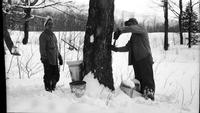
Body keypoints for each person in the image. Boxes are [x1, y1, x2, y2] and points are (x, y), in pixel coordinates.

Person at [111, 18, 155, 100]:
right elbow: (127, 47)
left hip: (145, 58)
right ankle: (142, 94)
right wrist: (116, 49)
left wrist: (120, 30)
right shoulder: (133, 36)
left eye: (129, 24)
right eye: (128, 25)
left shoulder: (141, 28)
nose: (129, 26)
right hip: (137, 61)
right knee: (139, 79)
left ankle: (150, 94)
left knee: (147, 78)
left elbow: (132, 28)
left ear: (134, 23)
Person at [39, 16, 63, 92]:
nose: (51, 25)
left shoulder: (53, 35)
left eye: (52, 24)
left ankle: (53, 87)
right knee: (48, 76)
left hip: (54, 60)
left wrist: (59, 56)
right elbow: (42, 49)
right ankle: (48, 89)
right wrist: (44, 59)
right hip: (48, 60)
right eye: (49, 24)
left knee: (56, 76)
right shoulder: (43, 35)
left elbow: (55, 47)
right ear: (45, 25)